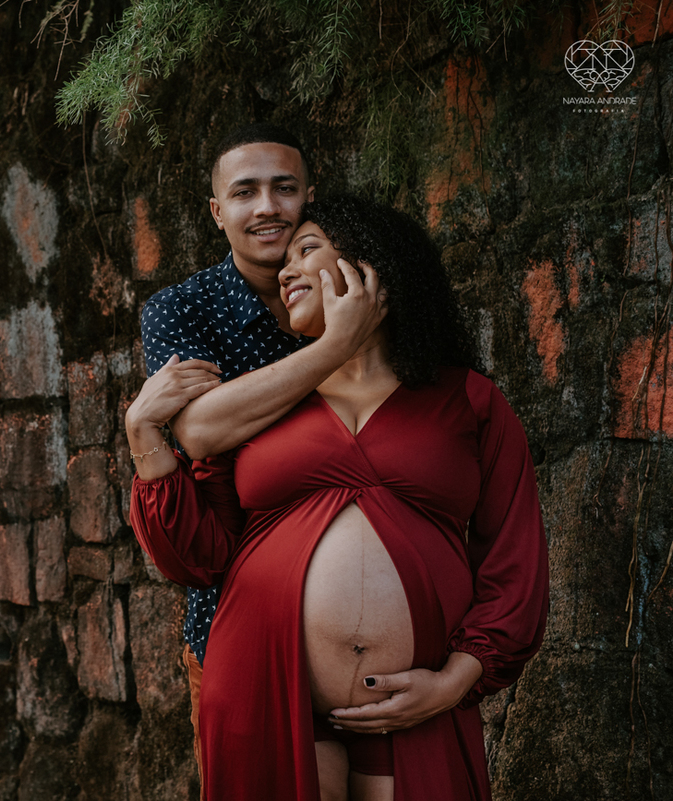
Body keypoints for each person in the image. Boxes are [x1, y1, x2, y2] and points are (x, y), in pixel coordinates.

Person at [126, 195, 550, 801]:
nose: (286, 270)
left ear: (370, 264)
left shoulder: (471, 401)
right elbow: (194, 558)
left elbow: (514, 561)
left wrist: (456, 681)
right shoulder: (262, 402)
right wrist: (144, 437)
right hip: (263, 686)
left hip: (418, 703)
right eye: (285, 260)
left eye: (307, 250)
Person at [137, 123, 387, 786]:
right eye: (245, 192)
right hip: (239, 631)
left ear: (310, 195)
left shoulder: (358, 289)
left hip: (370, 646)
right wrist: (332, 348)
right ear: (218, 212)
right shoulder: (182, 310)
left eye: (284, 188)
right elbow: (199, 431)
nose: (267, 207)